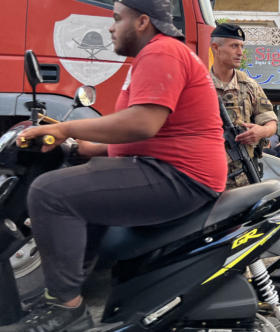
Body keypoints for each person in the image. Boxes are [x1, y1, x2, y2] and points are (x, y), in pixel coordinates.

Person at [0, 1, 227, 331]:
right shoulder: (157, 54)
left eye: (117, 19)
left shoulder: (161, 52)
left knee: (50, 193)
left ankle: (66, 309)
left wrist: (65, 128)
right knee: (76, 189)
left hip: (180, 175)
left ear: (142, 22)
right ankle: (66, 292)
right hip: (169, 168)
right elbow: (143, 130)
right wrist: (84, 148)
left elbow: (142, 123)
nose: (110, 28)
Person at [210, 23, 278, 189]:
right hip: (209, 179)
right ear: (216, 48)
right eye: (234, 46)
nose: (240, 53)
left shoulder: (249, 85)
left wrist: (261, 131)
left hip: (244, 179)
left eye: (241, 47)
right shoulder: (200, 84)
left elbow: (271, 122)